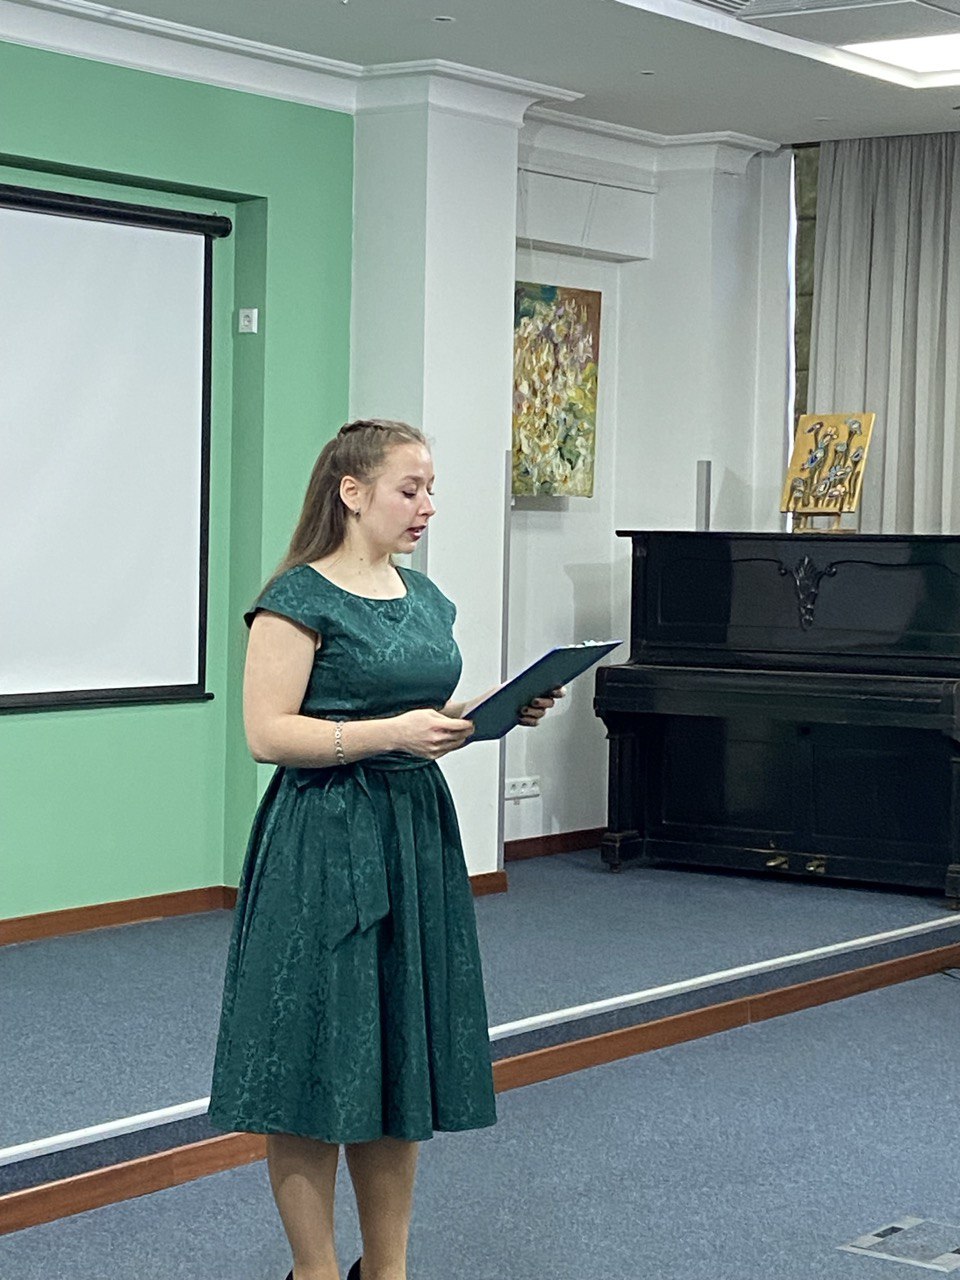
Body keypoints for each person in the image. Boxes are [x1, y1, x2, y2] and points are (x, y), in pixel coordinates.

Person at [208, 419, 562, 1280]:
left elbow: (415, 716)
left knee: (395, 1059)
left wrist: (489, 712)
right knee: (311, 1061)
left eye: (431, 489)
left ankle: (388, 1270)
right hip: (323, 839)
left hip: (412, 835)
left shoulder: (426, 598)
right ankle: (314, 1271)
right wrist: (389, 733)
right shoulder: (296, 599)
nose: (427, 506)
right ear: (352, 491)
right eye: (411, 489)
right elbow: (266, 733)